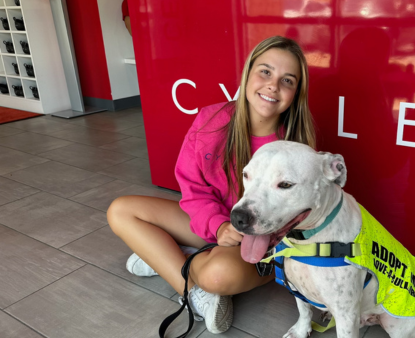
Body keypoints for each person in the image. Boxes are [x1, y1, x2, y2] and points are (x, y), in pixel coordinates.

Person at [107, 36, 316, 334]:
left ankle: (168, 257)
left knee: (218, 276)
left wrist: (251, 236)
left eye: (288, 80)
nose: (273, 85)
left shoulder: (297, 148)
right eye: (266, 72)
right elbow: (192, 189)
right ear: (248, 74)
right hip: (212, 224)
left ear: (296, 93)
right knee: (121, 211)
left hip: (258, 240)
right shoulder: (211, 119)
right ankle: (193, 291)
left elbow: (298, 221)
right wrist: (218, 227)